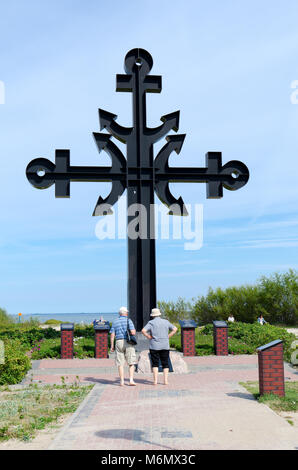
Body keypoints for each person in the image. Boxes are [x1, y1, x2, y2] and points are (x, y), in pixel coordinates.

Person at [141, 308, 177, 386]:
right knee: (165, 363)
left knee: (155, 364)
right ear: (159, 314)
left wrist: (148, 336)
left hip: (154, 346)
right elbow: (175, 329)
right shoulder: (166, 322)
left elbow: (143, 330)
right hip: (165, 345)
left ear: (153, 315)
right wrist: (168, 336)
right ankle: (165, 381)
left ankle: (155, 381)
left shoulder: (151, 323)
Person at [110, 306, 137, 386]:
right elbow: (133, 332)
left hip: (118, 342)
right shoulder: (129, 321)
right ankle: (131, 380)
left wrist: (112, 345)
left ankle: (121, 381)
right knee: (131, 362)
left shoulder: (115, 321)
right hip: (128, 342)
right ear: (126, 313)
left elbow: (112, 334)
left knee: (120, 363)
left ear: (119, 313)